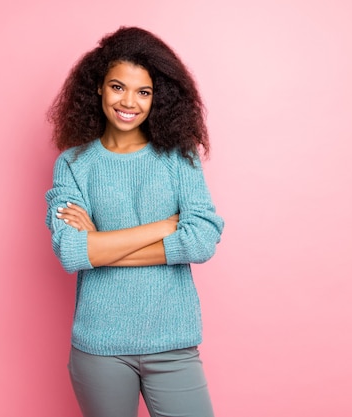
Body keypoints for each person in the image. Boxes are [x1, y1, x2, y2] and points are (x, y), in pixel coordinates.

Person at [44, 26, 224, 417]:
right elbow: (71, 251)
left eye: (143, 92)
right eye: (117, 87)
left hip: (173, 343)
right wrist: (165, 225)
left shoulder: (180, 157)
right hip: (99, 346)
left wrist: (100, 247)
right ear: (98, 88)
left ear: (158, 98)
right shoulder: (73, 165)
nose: (129, 102)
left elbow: (201, 240)